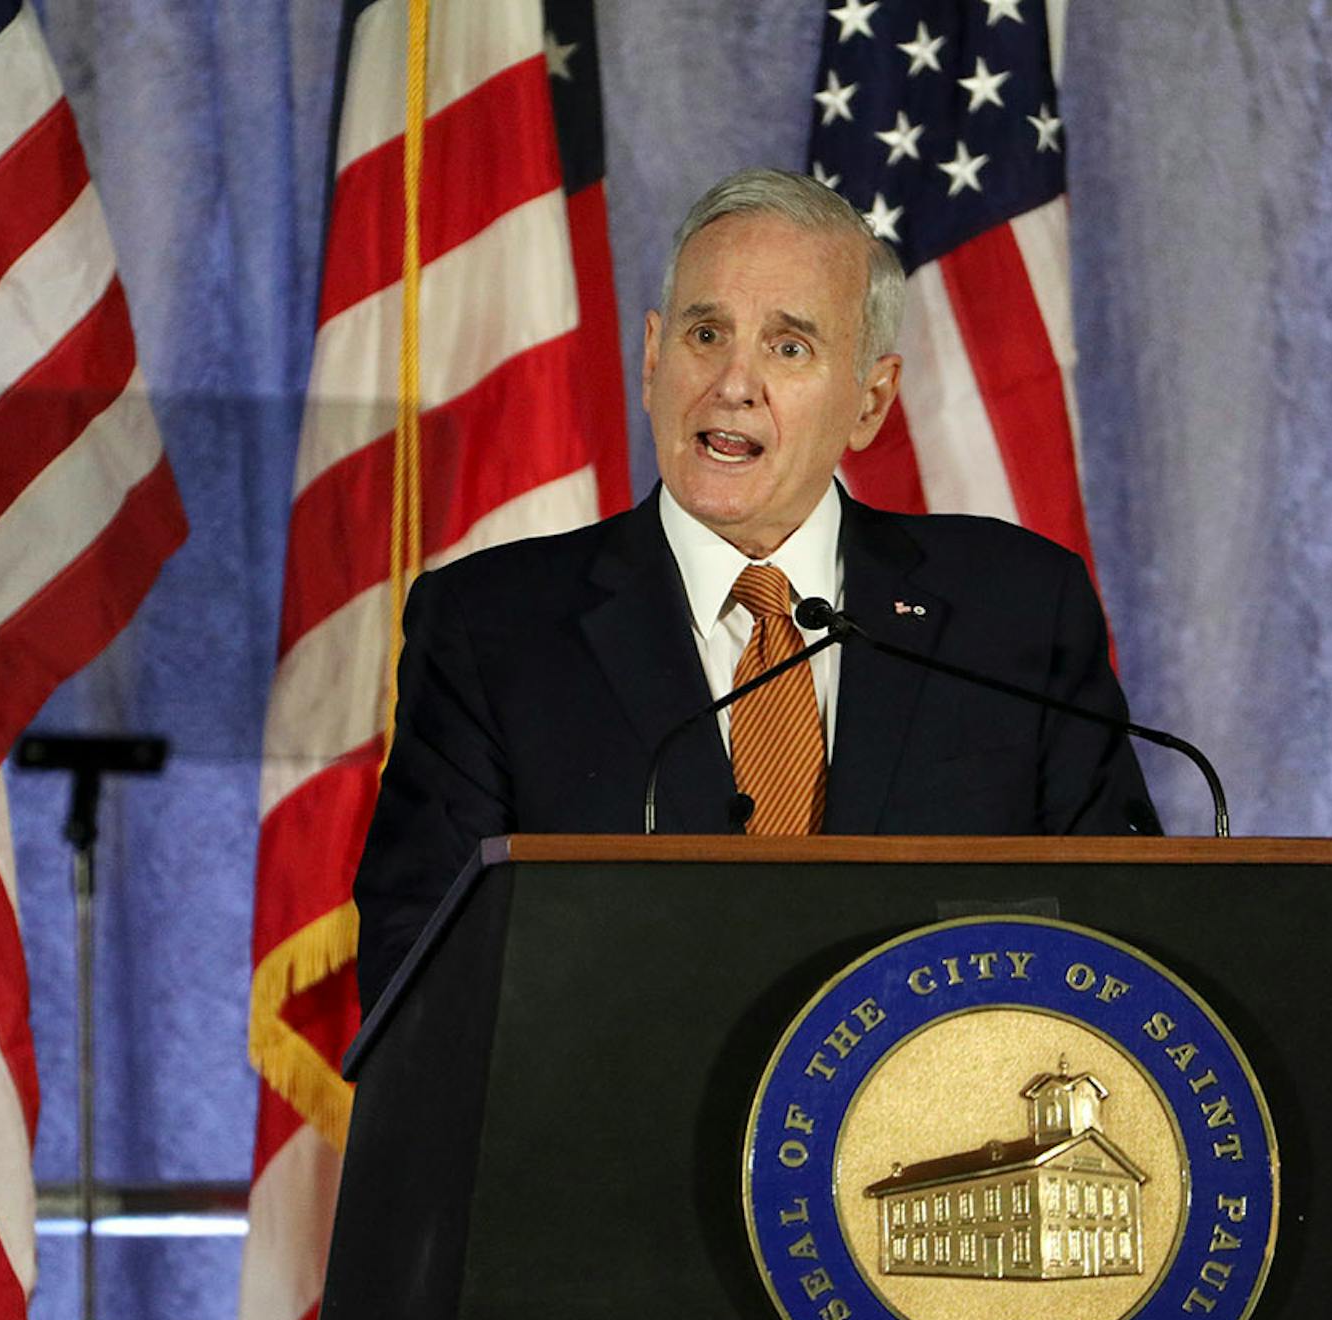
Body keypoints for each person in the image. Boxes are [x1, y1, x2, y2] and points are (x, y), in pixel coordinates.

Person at [352, 168, 1153, 1011]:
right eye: (706, 335)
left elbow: (1119, 939)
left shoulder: (1019, 612)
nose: (733, 383)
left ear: (871, 401)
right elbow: (419, 980)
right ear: (654, 357)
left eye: (789, 346)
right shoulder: (493, 629)